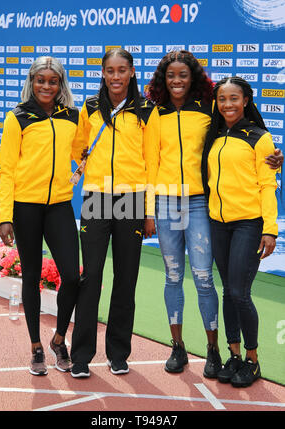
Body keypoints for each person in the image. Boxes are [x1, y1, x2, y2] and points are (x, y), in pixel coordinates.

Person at [146, 50, 283, 379]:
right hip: (166, 204)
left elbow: (247, 141)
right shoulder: (154, 113)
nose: (177, 81)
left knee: (207, 280)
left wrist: (274, 160)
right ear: (163, 79)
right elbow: (149, 163)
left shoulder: (207, 109)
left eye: (183, 75)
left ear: (193, 78)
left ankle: (215, 350)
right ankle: (177, 347)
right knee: (173, 277)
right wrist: (147, 209)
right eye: (171, 76)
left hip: (198, 204)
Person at [70, 48, 159, 377]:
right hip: (96, 197)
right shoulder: (91, 108)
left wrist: (149, 211)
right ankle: (81, 355)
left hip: (133, 198)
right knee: (90, 276)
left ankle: (118, 352)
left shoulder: (147, 111)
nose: (116, 76)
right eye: (110, 70)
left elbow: (153, 164)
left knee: (126, 278)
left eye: (122, 70)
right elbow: (77, 145)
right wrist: (85, 168)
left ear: (133, 72)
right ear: (103, 73)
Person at [0, 56, 82, 376]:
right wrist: (5, 215)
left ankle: (59, 339)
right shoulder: (17, 117)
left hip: (60, 205)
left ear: (61, 84)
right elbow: (7, 171)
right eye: (41, 80)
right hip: (25, 207)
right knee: (31, 277)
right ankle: (35, 347)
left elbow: (82, 156)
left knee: (72, 277)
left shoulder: (71, 117)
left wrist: (77, 174)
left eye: (53, 80)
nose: (46, 85)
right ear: (31, 81)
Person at [201, 76, 278, 388]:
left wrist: (270, 230)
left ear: (246, 100)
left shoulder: (260, 138)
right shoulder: (214, 135)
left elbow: (268, 186)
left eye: (234, 98)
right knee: (227, 291)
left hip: (249, 224)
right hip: (218, 223)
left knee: (239, 292)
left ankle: (252, 359)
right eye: (222, 99)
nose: (228, 104)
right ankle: (233, 355)